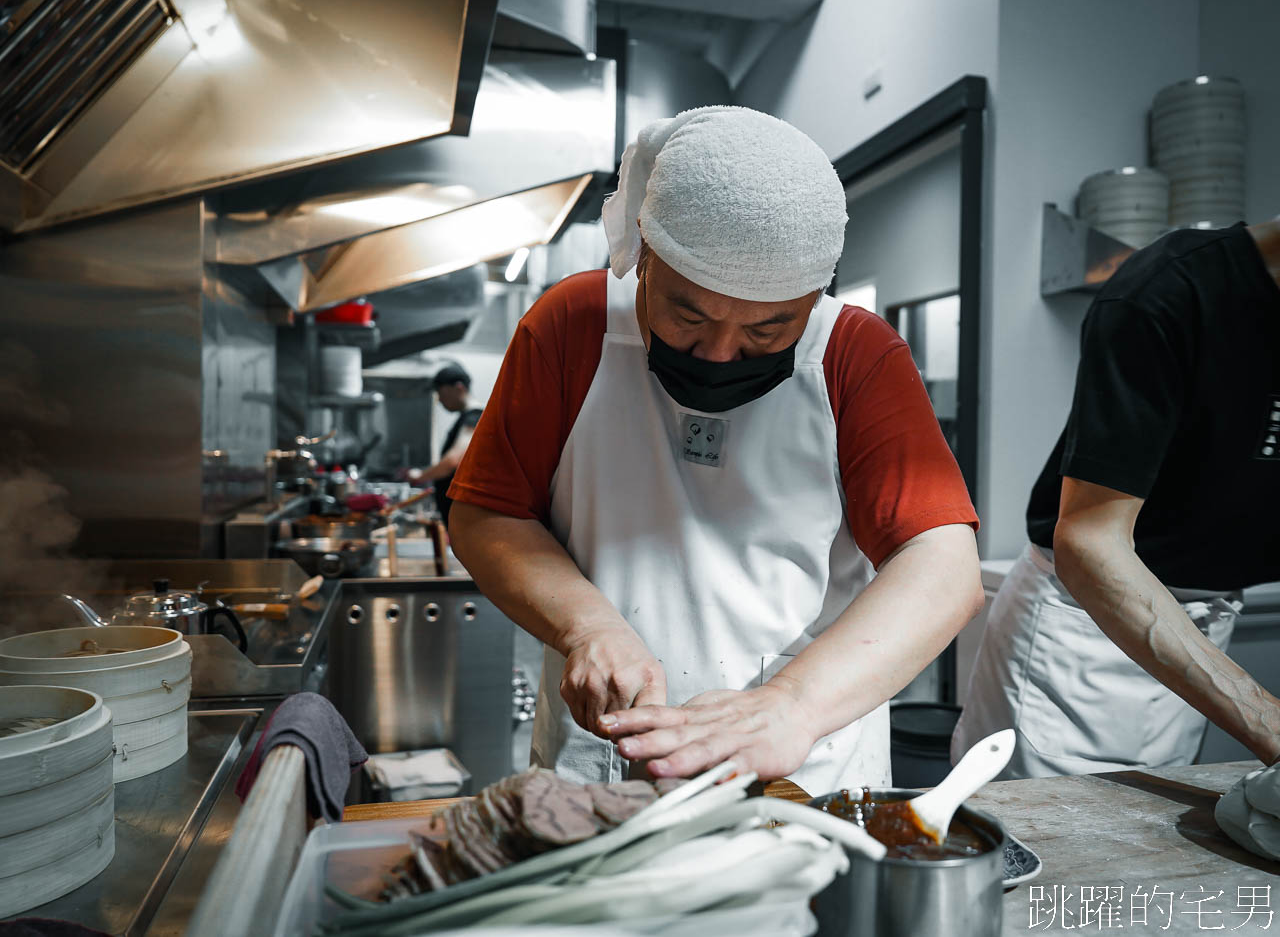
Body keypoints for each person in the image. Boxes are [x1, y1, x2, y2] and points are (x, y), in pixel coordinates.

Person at [447, 106, 983, 793]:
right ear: (643, 252)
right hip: (605, 760)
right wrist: (585, 624)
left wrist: (793, 703)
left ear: (815, 295)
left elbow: (942, 566)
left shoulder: (857, 354)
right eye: (688, 314)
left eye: (768, 329)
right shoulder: (570, 327)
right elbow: (486, 514)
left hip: (806, 770)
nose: (722, 353)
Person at [954, 217, 1280, 779]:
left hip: (1203, 627)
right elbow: (1091, 541)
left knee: (1153, 849)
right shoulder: (1173, 289)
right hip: (1087, 632)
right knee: (1054, 854)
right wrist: (1265, 719)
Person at [404, 363, 482, 527]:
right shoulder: (468, 419)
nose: (439, 401)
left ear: (458, 388)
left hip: (466, 518)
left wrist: (420, 476)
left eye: (441, 393)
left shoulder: (474, 418)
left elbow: (453, 460)